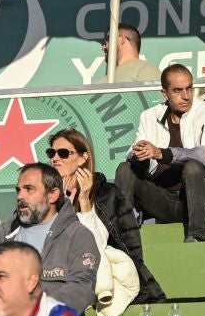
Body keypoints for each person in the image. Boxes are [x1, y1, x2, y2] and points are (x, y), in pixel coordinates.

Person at [0, 162, 100, 316]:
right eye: (18, 190)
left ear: (52, 195)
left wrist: (37, 309)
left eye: (29, 189)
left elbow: (83, 286)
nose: (20, 196)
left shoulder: (77, 235)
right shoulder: (7, 230)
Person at [49, 128, 166, 303]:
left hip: (102, 276)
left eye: (63, 153)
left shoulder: (107, 195)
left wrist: (85, 202)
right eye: (52, 152)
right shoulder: (45, 196)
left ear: (83, 158)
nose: (55, 158)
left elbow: (97, 247)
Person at [115, 64, 205, 243]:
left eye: (189, 88)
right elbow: (135, 153)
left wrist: (162, 154)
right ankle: (122, 236)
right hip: (162, 199)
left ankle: (197, 236)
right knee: (125, 168)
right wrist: (140, 153)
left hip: (197, 202)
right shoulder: (149, 116)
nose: (186, 96)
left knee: (193, 167)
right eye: (178, 90)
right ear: (165, 93)